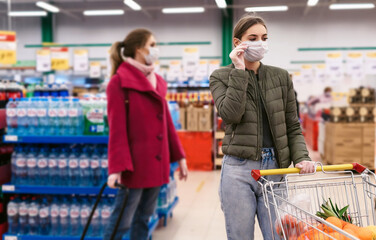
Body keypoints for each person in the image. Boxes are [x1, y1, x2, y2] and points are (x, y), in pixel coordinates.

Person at [209, 15, 315, 240]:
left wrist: (302, 157)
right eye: (253, 38)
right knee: (240, 236)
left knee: (278, 236)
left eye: (264, 38)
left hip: (275, 170)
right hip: (238, 169)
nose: (260, 43)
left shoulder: (281, 77)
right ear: (238, 43)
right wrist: (239, 71)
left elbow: (292, 126)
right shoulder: (221, 76)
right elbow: (230, 115)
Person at [104, 28, 189, 240]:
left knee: (144, 218)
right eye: (152, 45)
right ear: (139, 49)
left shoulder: (157, 81)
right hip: (132, 167)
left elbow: (167, 124)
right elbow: (117, 129)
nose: (155, 49)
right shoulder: (118, 82)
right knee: (121, 222)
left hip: (155, 164)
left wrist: (180, 157)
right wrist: (116, 168)